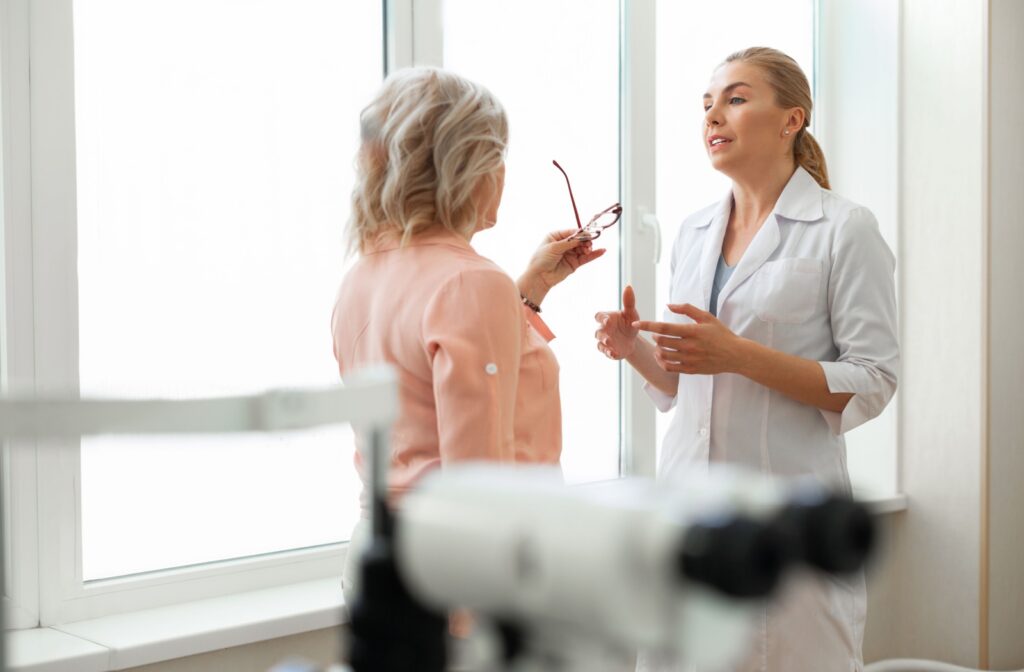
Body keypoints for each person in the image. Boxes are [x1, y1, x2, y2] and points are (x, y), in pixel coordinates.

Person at [594, 47, 899, 671]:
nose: (713, 116)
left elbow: (873, 379)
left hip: (788, 525)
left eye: (735, 98)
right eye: (706, 104)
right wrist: (636, 351)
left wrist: (740, 356)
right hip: (687, 516)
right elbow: (684, 388)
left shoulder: (845, 228)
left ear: (792, 119)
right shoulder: (694, 231)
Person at [333, 67, 605, 603]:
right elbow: (478, 492)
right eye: (497, 154)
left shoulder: (362, 275)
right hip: (455, 577)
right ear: (465, 165)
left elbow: (424, 388)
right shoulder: (472, 283)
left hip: (380, 563)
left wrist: (527, 289)